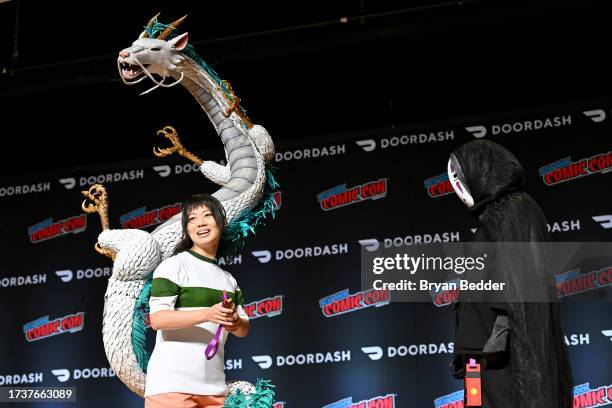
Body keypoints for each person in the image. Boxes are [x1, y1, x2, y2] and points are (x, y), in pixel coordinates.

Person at [446, 140, 573, 407]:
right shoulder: (488, 222)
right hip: (475, 360)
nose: (458, 187)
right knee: (475, 402)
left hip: (500, 360)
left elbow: (523, 284)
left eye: (459, 177)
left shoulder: (515, 212)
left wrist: (497, 336)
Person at [144, 193, 250, 408]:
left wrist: (235, 322)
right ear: (186, 229)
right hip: (171, 387)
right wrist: (206, 314)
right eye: (191, 219)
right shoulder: (173, 266)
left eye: (207, 215)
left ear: (221, 222)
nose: (200, 223)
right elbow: (158, 319)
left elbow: (243, 330)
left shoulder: (228, 279)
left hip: (215, 390)